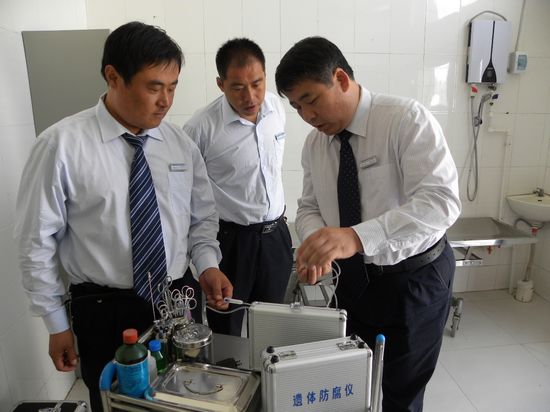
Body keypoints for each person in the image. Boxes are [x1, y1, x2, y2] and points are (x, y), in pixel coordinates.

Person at [14, 21, 232, 412]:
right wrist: (55, 323)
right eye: (154, 87)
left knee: (184, 399)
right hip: (104, 309)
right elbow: (36, 241)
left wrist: (208, 265)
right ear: (113, 77)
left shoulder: (179, 145)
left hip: (176, 299)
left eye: (173, 87)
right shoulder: (61, 146)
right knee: (116, 403)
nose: (166, 101)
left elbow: (201, 219)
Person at [275, 37, 461, 412]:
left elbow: (441, 202)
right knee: (351, 383)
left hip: (413, 281)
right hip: (353, 283)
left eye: (310, 100)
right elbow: (308, 206)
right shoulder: (315, 145)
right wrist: (319, 243)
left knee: (401, 393)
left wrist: (357, 238)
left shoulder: (404, 120)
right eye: (296, 107)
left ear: (341, 79)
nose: (307, 116)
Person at [183, 38, 293, 336]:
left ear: (265, 76)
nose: (251, 96)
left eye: (257, 84)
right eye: (238, 88)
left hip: (275, 236)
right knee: (226, 327)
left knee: (272, 326)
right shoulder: (201, 128)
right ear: (221, 84)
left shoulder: (276, 108)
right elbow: (186, 197)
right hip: (231, 243)